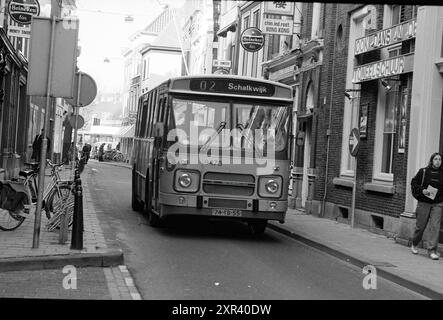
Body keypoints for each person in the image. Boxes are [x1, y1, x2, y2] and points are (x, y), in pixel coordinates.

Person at [410, 152, 443, 260]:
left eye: (439, 159)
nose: (438, 161)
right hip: (424, 202)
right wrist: (422, 190)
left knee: (435, 227)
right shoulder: (423, 171)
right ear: (431, 160)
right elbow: (414, 183)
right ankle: (414, 243)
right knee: (420, 226)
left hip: (437, 203)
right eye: (436, 159)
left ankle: (432, 250)